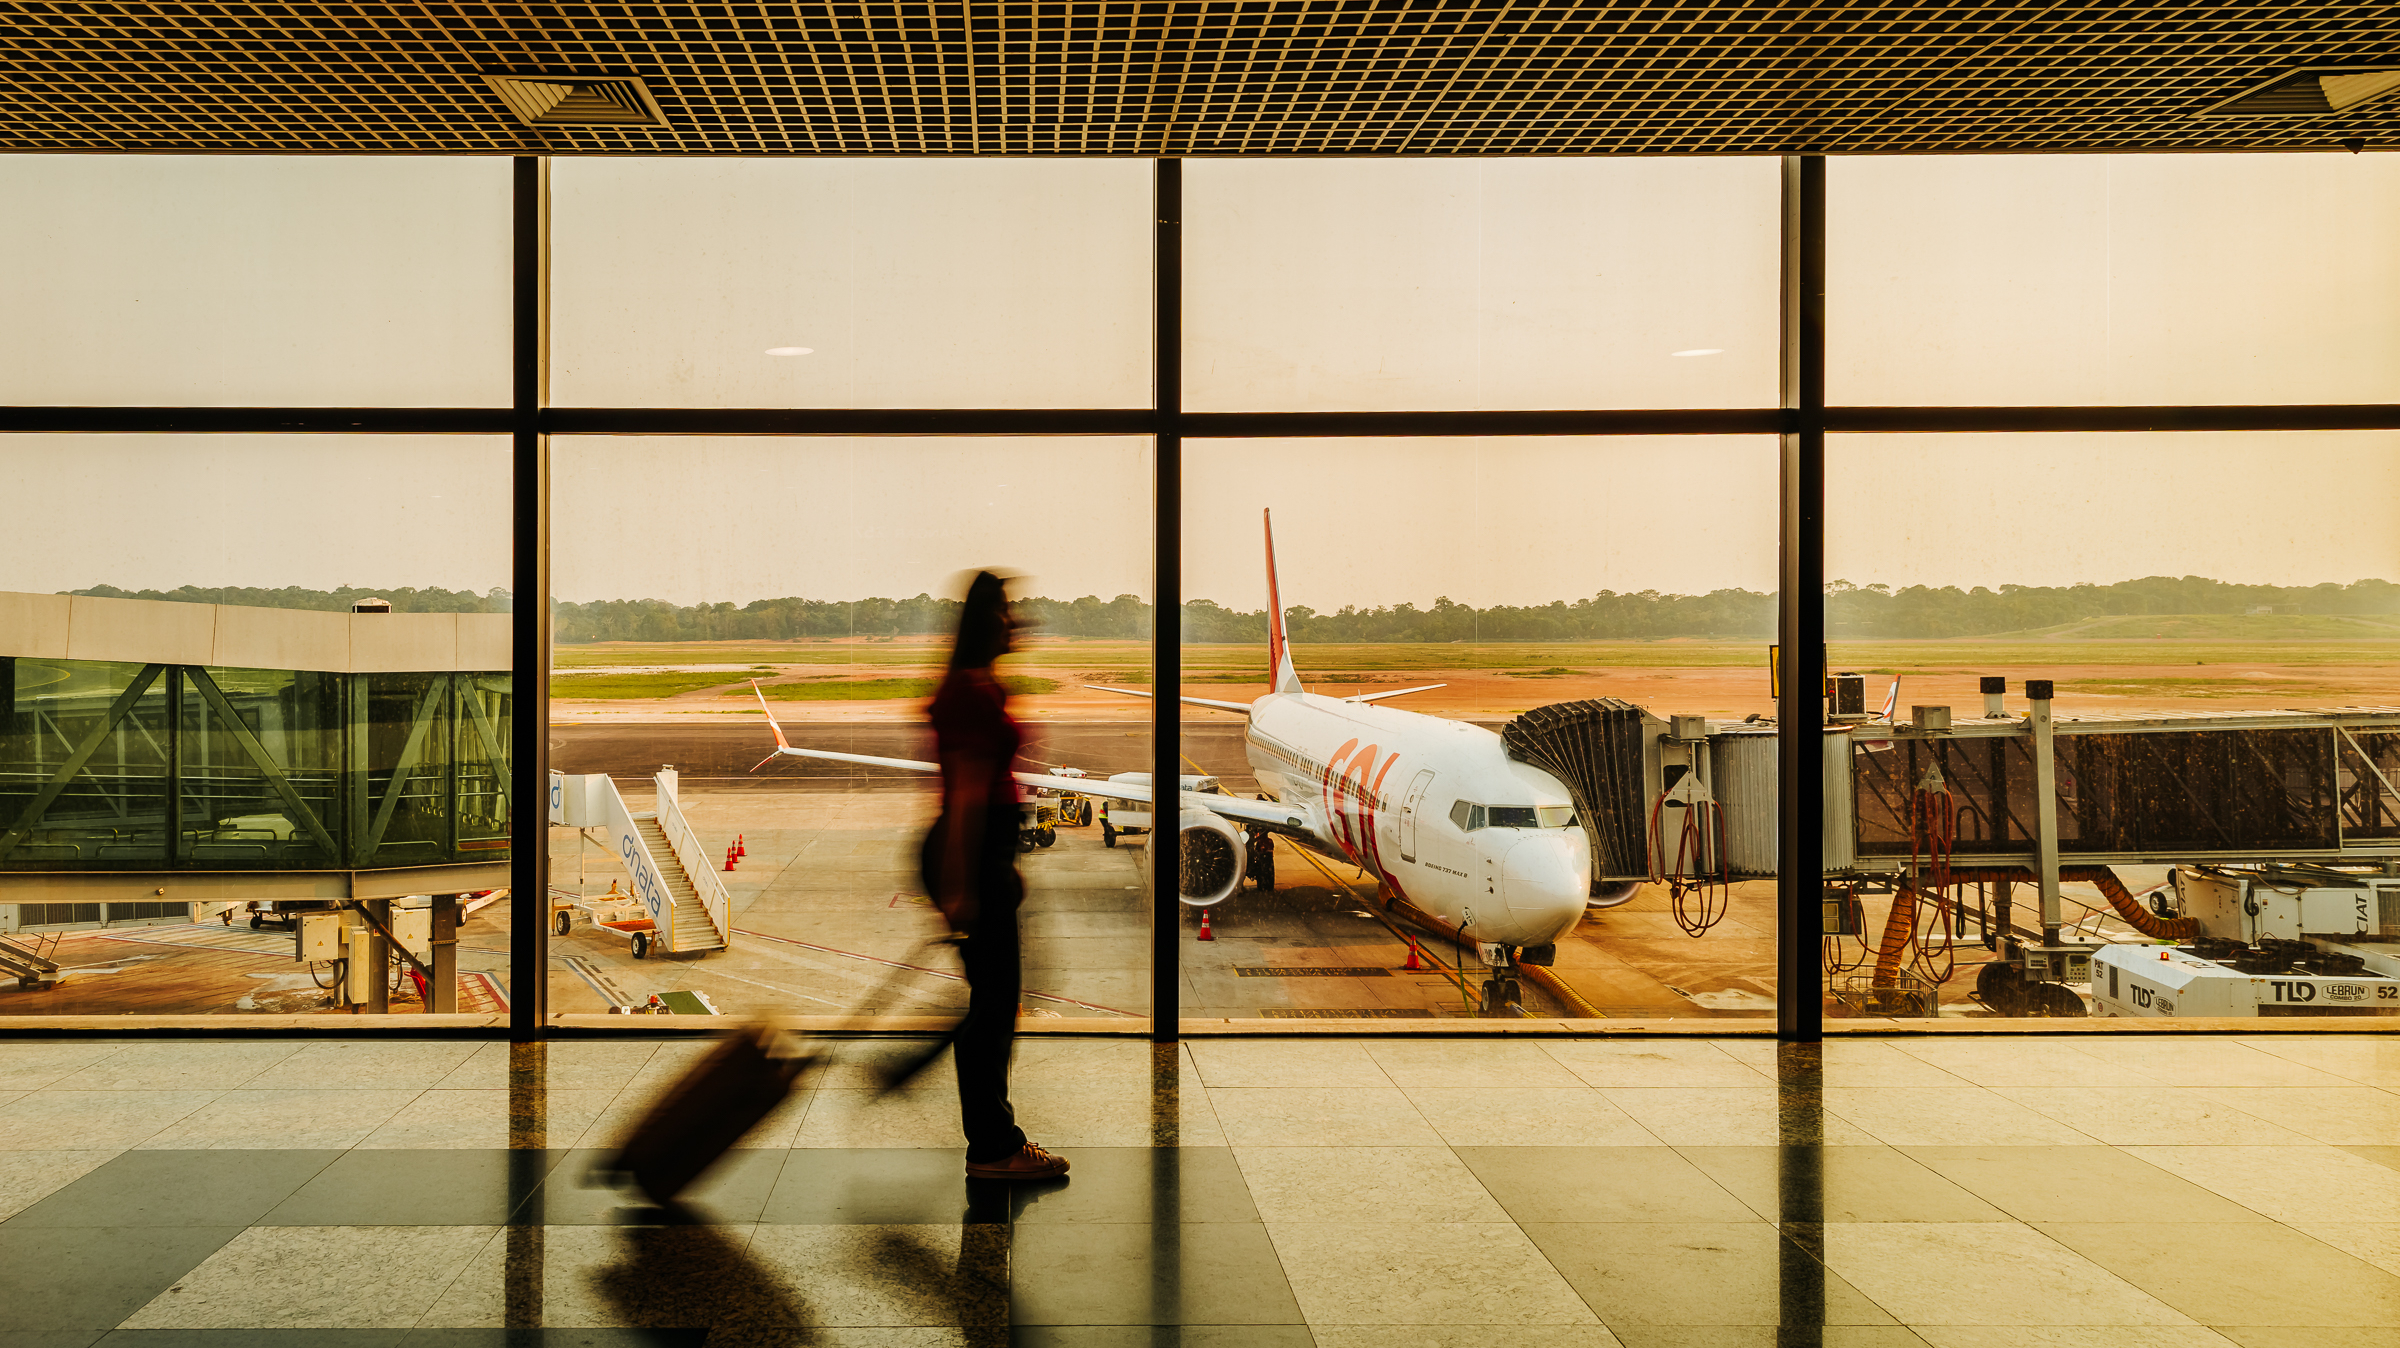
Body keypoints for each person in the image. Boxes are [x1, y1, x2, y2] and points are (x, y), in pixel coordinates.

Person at [923, 571, 1069, 1181]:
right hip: (972, 856)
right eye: (1007, 610)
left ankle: (993, 1139)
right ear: (988, 621)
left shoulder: (977, 685)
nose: (1018, 621)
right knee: (993, 1009)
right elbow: (964, 798)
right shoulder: (972, 694)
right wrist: (963, 885)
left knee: (993, 1002)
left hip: (985, 858)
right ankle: (991, 1148)